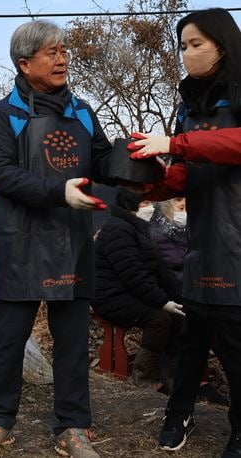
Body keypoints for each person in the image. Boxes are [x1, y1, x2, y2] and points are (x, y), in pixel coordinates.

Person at [0, 20, 113, 458]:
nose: (63, 58)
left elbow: (106, 161)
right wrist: (59, 191)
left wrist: (141, 162)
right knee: (8, 339)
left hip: (71, 241)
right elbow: (0, 172)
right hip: (20, 241)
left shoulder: (83, 111)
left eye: (64, 50)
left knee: (71, 341)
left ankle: (73, 428)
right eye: (52, 52)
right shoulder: (2, 115)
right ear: (25, 63)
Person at [127, 8, 241, 455]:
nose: (186, 53)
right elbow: (185, 174)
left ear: (224, 44)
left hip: (238, 243)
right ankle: (180, 411)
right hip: (203, 242)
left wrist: (175, 144)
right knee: (191, 339)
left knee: (234, 345)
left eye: (196, 44)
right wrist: (147, 181)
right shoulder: (187, 106)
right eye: (183, 45)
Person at [93, 188, 184, 389]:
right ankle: (143, 378)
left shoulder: (139, 227)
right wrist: (163, 302)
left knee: (180, 317)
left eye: (151, 203)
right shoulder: (117, 229)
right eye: (144, 204)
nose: (150, 208)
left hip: (130, 291)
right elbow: (133, 275)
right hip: (110, 296)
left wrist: (181, 300)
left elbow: (161, 270)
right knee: (159, 319)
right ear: (129, 206)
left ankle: (171, 377)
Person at [148, 198, 187, 283]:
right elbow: (176, 260)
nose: (183, 203)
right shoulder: (159, 233)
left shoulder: (183, 230)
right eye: (178, 199)